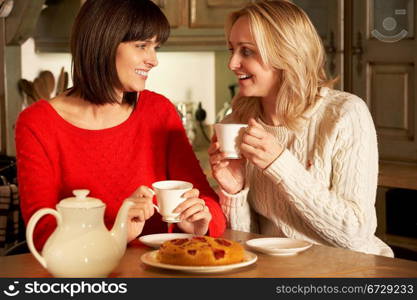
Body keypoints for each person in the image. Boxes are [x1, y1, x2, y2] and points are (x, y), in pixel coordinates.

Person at [16, 0, 225, 251]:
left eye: (155, 47)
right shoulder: (37, 123)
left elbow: (210, 205)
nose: (153, 60)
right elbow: (42, 236)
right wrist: (116, 233)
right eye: (141, 46)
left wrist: (200, 222)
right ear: (102, 43)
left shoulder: (158, 111)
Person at [208, 0, 393, 257]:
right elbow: (246, 245)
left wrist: (280, 164)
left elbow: (355, 234)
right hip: (274, 274)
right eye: (231, 49)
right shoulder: (235, 125)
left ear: (286, 54)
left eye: (246, 51)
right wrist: (234, 192)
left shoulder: (344, 114)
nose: (232, 63)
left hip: (349, 274)